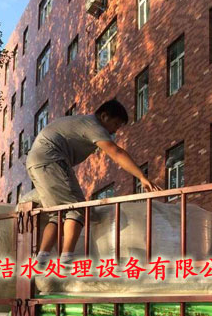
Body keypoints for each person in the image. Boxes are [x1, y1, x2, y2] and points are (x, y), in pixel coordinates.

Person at [26, 99, 161, 266]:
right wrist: (142, 176)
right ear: (104, 116)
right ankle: (66, 259)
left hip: (36, 162)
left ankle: (42, 258)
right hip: (51, 160)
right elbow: (116, 152)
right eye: (115, 124)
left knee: (58, 214)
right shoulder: (94, 126)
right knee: (77, 209)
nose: (115, 130)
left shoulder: (82, 123)